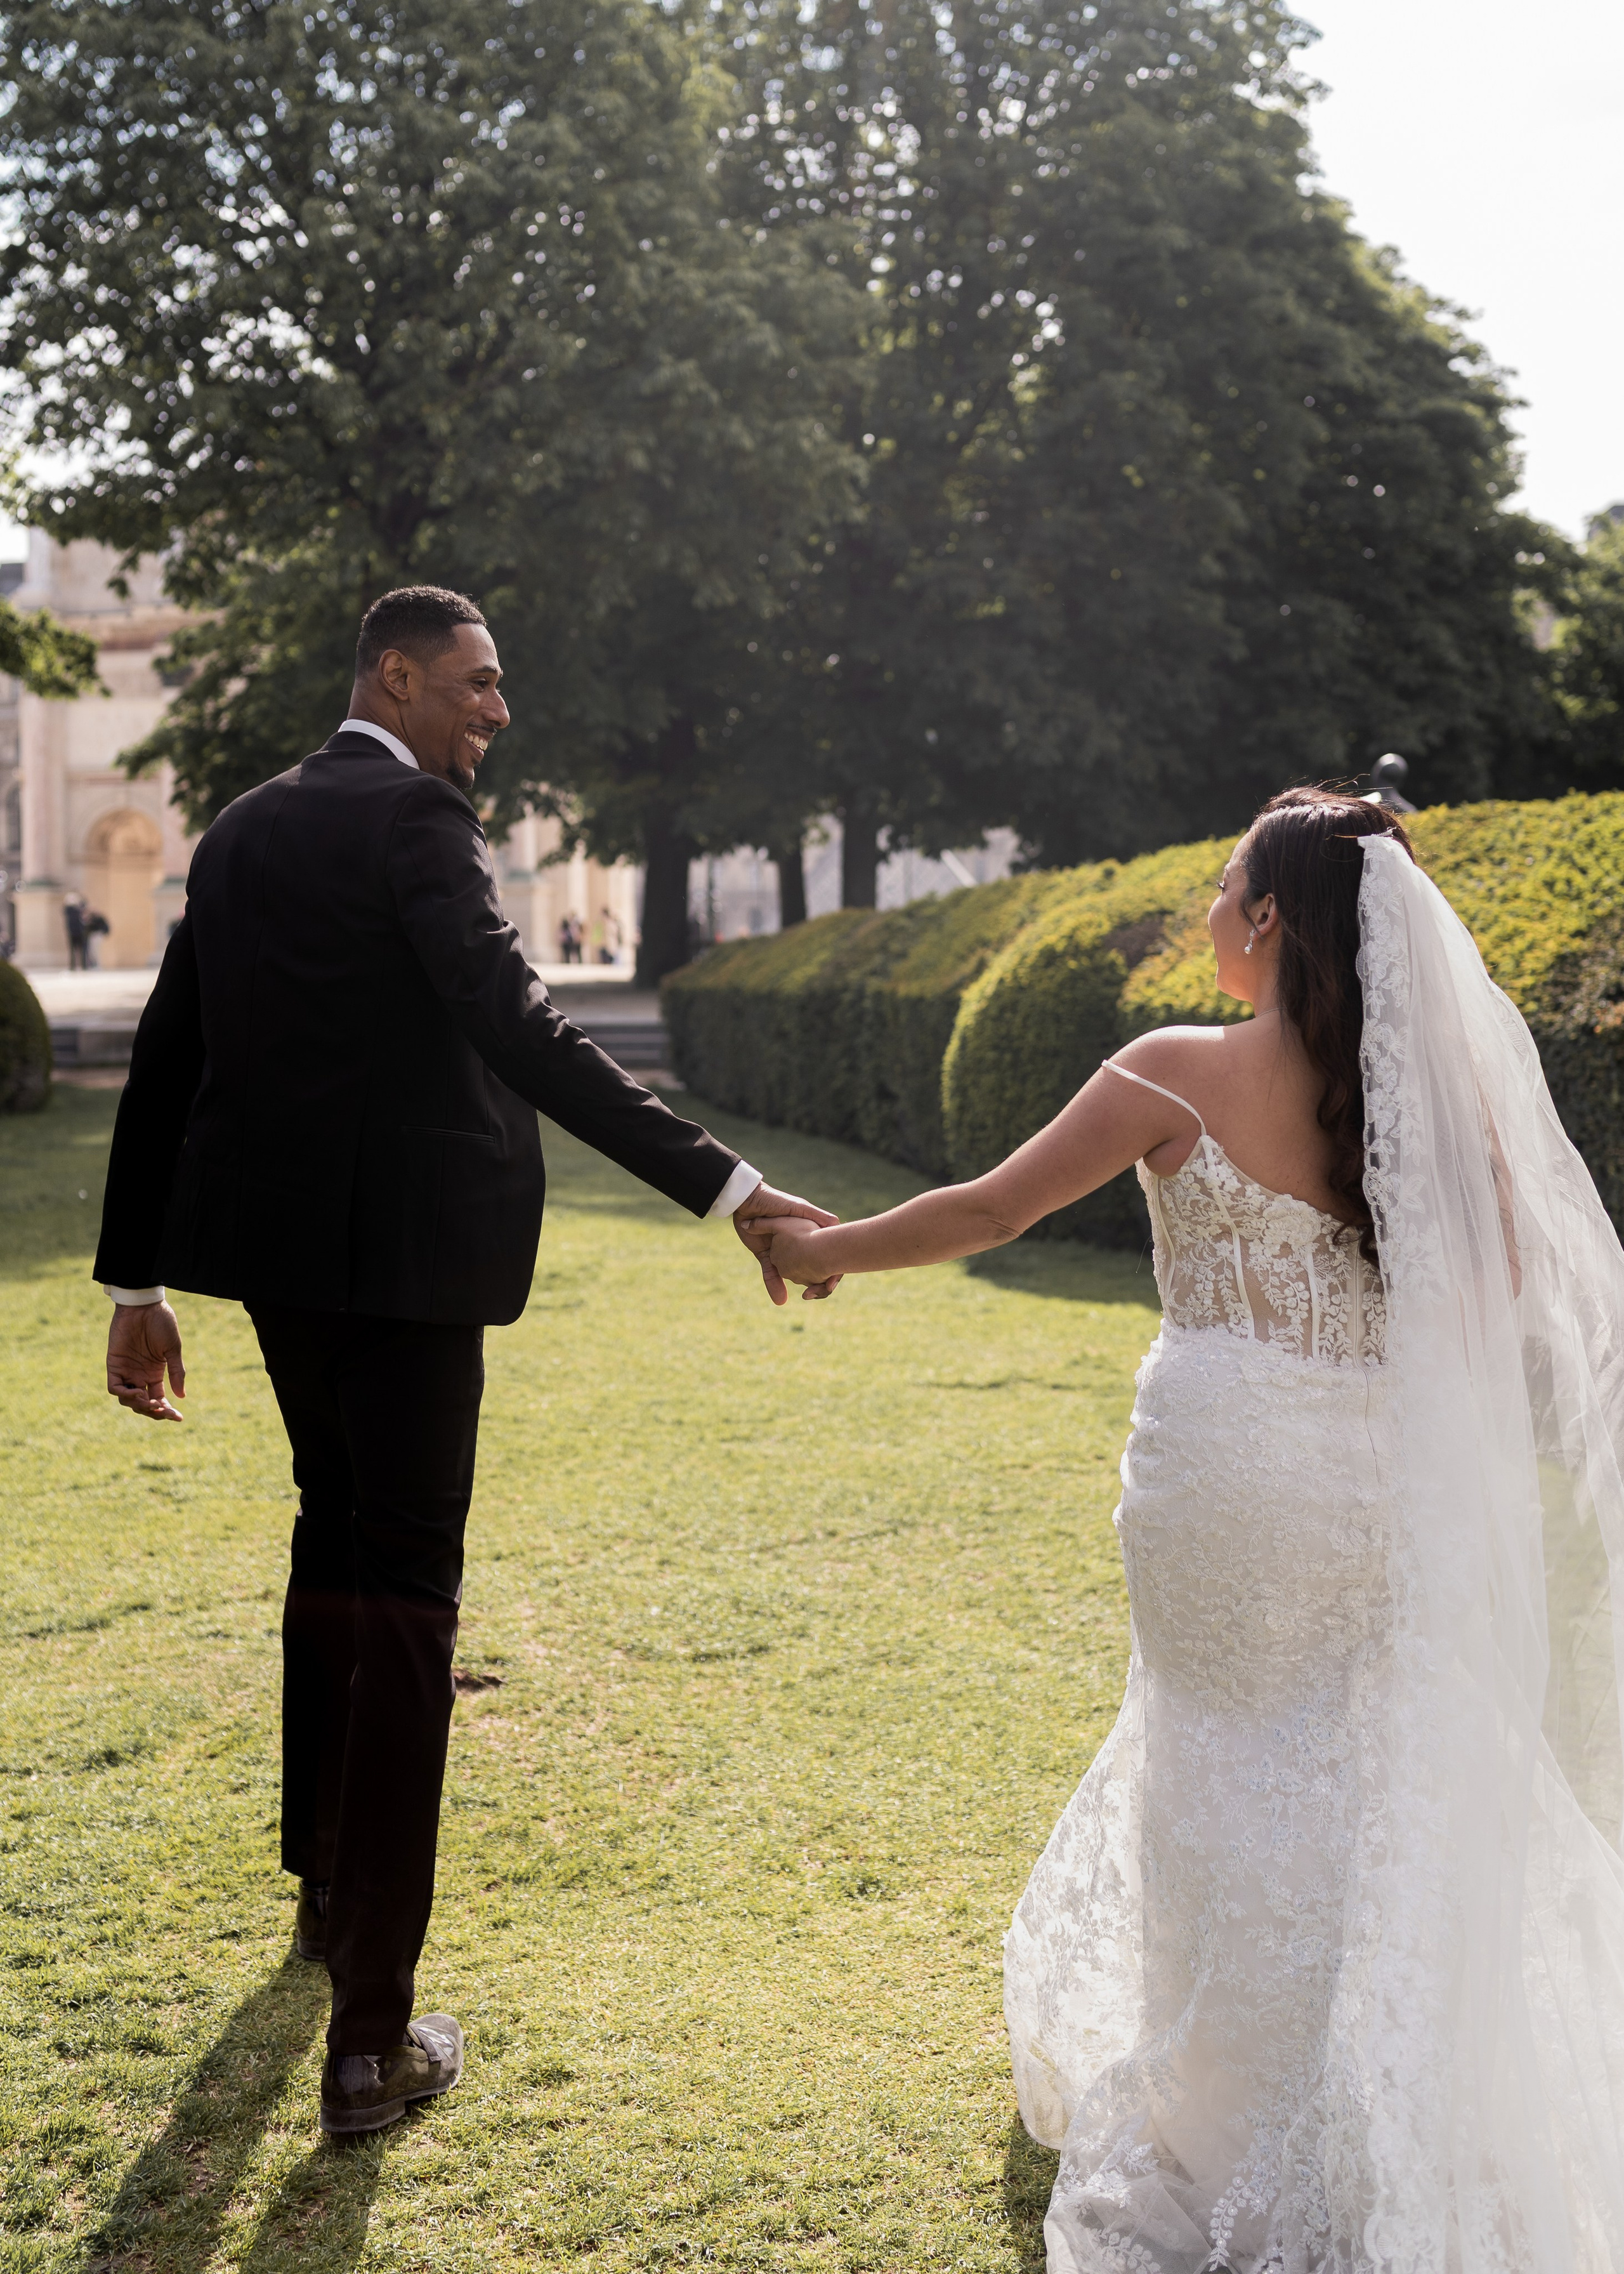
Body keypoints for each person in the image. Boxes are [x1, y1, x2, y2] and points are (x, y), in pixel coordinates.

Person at [755, 789, 1624, 2273]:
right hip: (1368, 1482)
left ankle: (1228, 2116)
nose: (1210, 914)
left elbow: (990, 1210)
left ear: (1267, 916)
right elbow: (1487, 1296)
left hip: (1221, 1485)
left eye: (1224, 889)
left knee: (1215, 1758)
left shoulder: (1173, 1068)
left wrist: (829, 1245)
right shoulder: (1419, 1102)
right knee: (1372, 1759)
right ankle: (1394, 2093)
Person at [93, 585, 839, 2139]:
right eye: (478, 683)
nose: (497, 710)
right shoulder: (416, 821)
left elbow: (171, 1056)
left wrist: (135, 1281)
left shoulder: (239, 829)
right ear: (395, 675)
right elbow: (518, 1024)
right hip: (412, 1276)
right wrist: (730, 1191)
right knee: (409, 1609)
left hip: (283, 1273)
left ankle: (325, 1893)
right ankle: (370, 2041)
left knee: (333, 1541)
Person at [63, 892, 88, 969]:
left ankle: (84, 965)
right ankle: (73, 966)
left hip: (81, 932)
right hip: (72, 932)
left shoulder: (80, 907)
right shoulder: (68, 909)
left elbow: (85, 905)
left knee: (83, 950)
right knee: (72, 950)